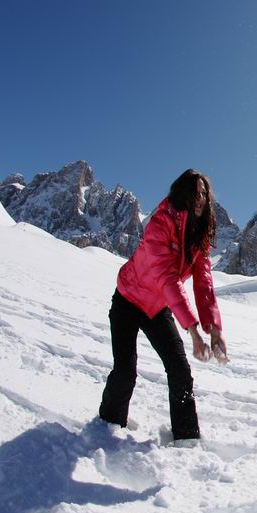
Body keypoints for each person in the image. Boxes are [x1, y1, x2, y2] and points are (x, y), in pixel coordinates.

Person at [98, 169, 229, 444]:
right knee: (125, 372)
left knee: (180, 370)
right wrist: (192, 331)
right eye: (195, 192)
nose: (200, 198)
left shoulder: (199, 233)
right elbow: (168, 278)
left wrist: (214, 329)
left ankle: (186, 438)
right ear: (182, 192)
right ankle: (106, 429)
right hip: (128, 300)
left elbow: (203, 282)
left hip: (156, 309)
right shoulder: (162, 221)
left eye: (204, 193)